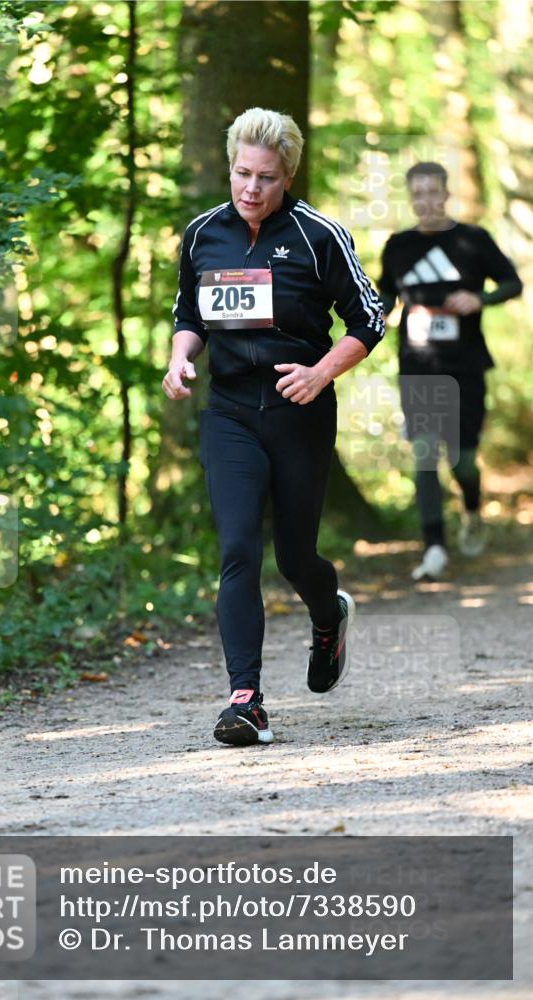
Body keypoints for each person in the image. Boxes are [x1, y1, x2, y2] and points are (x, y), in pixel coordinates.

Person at [162, 108, 384, 746]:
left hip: (299, 410)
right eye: (240, 173)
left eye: (264, 177)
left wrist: (321, 373)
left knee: (294, 556)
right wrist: (179, 359)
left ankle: (327, 613)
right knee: (237, 549)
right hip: (230, 409)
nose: (250, 189)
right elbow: (190, 314)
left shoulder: (319, 236)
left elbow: (369, 317)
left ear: (287, 177)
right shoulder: (203, 234)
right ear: (229, 166)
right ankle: (246, 700)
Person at [379, 162, 523, 581]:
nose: (426, 200)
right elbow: (387, 291)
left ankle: (473, 510)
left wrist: (480, 299)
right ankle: (434, 548)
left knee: (462, 461)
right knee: (425, 455)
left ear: (446, 194)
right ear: (411, 198)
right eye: (417, 193)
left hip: (466, 365)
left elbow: (513, 283)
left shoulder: (473, 240)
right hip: (418, 364)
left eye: (432, 192)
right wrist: (377, 312)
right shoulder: (398, 245)